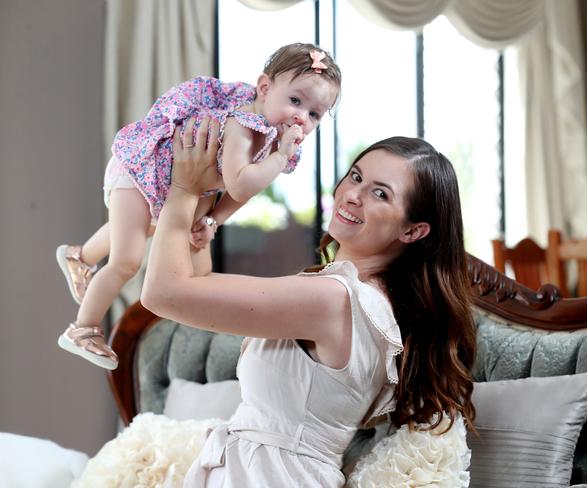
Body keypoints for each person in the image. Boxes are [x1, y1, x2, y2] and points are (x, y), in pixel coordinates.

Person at [140, 120, 477, 487]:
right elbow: (194, 286)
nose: (352, 194)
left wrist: (183, 187)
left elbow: (164, 293)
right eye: (355, 176)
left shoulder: (335, 299)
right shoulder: (365, 302)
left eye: (380, 194)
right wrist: (205, 206)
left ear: (412, 230)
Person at [55, 43, 342, 370]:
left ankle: (79, 256)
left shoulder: (271, 140)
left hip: (162, 183)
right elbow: (239, 183)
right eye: (295, 101)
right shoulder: (244, 125)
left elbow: (239, 195)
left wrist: (213, 220)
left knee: (144, 227)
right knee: (126, 260)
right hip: (139, 170)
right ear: (264, 89)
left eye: (314, 114)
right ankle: (83, 329)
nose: (301, 117)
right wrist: (279, 158)